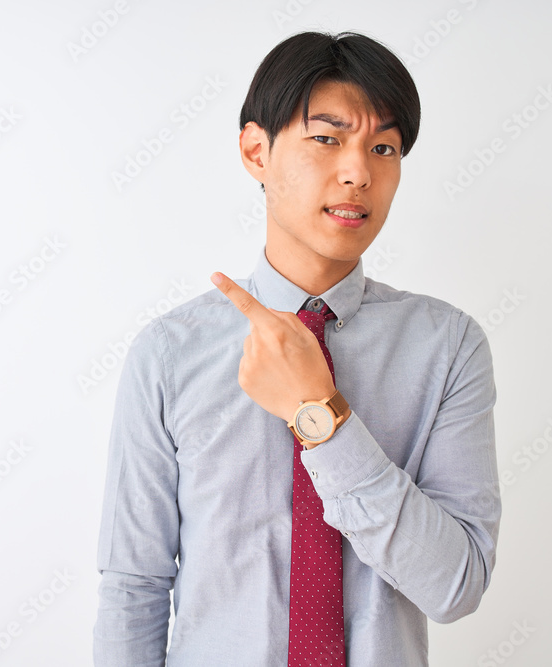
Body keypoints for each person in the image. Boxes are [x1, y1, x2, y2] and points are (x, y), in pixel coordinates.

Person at [94, 30, 501, 666]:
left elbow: (455, 586)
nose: (357, 171)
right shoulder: (170, 355)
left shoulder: (447, 348)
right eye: (326, 138)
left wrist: (321, 414)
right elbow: (135, 587)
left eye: (384, 147)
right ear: (256, 152)